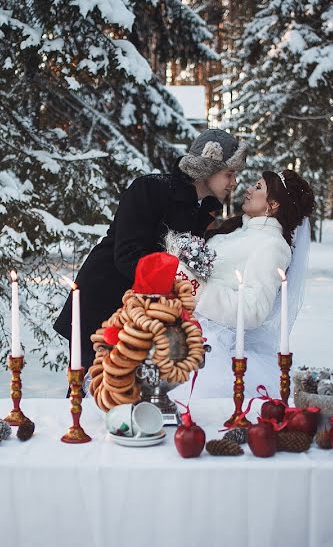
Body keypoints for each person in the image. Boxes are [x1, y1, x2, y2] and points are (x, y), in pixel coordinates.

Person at [53, 129, 247, 372]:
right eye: (229, 174)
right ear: (206, 167)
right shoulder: (150, 189)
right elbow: (127, 256)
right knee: (94, 393)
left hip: (144, 318)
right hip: (102, 305)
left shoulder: (202, 209)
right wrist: (177, 280)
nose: (234, 182)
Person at [171, 169, 316, 401]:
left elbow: (252, 310)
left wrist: (192, 288)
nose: (248, 189)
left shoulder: (272, 245)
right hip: (180, 325)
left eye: (258, 187)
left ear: (273, 205)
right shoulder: (237, 231)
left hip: (211, 344)